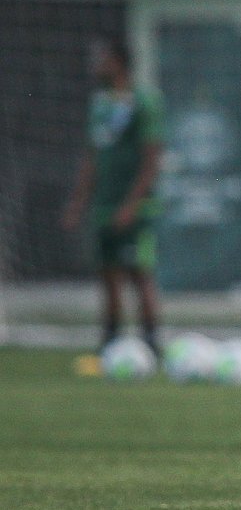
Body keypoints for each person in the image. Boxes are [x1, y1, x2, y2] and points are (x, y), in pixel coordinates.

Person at [60, 36, 165, 357]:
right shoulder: (100, 104)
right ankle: (111, 341)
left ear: (118, 62)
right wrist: (78, 201)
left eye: (102, 58)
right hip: (103, 204)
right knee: (107, 273)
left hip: (137, 207)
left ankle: (151, 342)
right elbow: (93, 156)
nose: (96, 64)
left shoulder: (145, 102)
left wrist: (131, 204)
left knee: (139, 273)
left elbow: (152, 157)